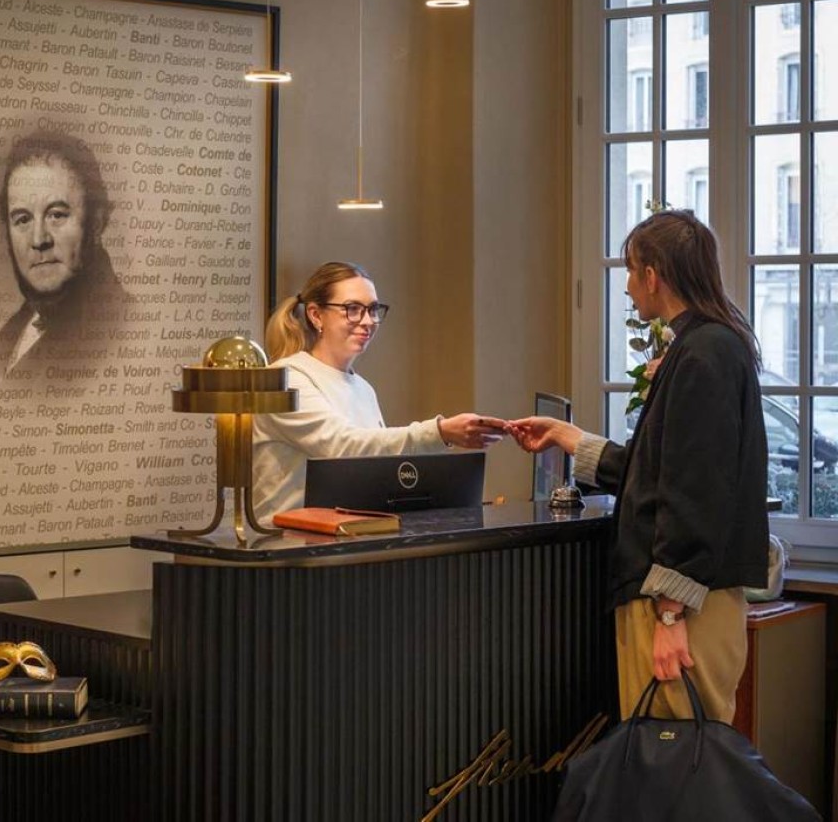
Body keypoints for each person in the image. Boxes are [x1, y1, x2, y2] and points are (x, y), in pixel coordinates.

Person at [507, 210, 768, 724]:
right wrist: (569, 438)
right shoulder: (707, 345)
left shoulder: (702, 354)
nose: (627, 288)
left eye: (630, 271)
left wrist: (670, 613)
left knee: (673, 771)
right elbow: (659, 471)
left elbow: (694, 491)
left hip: (684, 608)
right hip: (690, 601)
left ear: (653, 274)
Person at [251, 261, 507, 523]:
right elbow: (343, 448)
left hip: (348, 542)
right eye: (352, 309)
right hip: (288, 547)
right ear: (316, 315)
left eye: (373, 310)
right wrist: (438, 432)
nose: (367, 321)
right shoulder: (286, 379)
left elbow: (378, 470)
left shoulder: (363, 389)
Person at [0, 130, 130, 376]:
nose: (38, 239)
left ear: (96, 222)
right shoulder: (14, 330)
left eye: (56, 215)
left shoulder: (122, 330)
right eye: (23, 220)